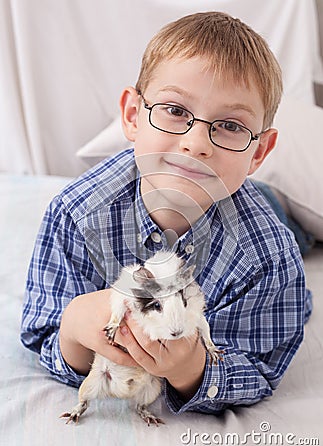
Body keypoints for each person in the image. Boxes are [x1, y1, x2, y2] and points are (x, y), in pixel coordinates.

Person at [21, 11, 312, 415]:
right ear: (132, 116)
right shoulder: (76, 214)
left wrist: (192, 369)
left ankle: (286, 205)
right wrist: (72, 330)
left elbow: (261, 364)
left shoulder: (268, 254)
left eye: (229, 125)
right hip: (210, 190)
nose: (195, 144)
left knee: (294, 225)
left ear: (259, 151)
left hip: (255, 209)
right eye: (175, 111)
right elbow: (44, 331)